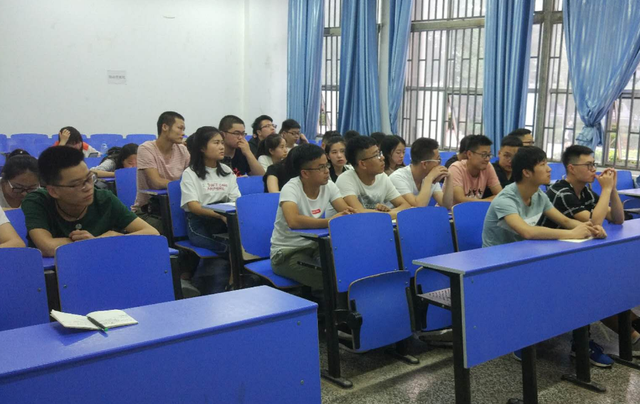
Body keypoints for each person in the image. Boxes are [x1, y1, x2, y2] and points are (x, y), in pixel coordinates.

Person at [481, 146, 612, 367]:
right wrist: (571, 234)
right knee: (560, 282)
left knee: (579, 280)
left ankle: (580, 341)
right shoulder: (506, 198)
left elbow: (566, 221)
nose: (549, 169)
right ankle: (524, 338)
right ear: (527, 172)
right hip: (498, 264)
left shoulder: (538, 195)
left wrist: (591, 229)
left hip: (525, 257)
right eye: (543, 165)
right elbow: (527, 232)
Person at [22, 146, 158, 257]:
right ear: (53, 191)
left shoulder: (104, 199)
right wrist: (96, 242)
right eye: (77, 184)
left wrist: (104, 240)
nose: (88, 188)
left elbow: (151, 233)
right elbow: (47, 246)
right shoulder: (37, 201)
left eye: (89, 179)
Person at [270, 143, 355, 289]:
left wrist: (348, 213)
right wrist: (330, 221)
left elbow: (346, 212)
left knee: (347, 267)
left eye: (326, 165)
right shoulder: (291, 188)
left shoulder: (329, 185)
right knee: (328, 278)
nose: (327, 171)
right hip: (287, 253)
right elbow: (293, 221)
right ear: (305, 173)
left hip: (315, 247)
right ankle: (324, 302)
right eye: (321, 167)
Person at [181, 127, 240, 295]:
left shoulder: (226, 171)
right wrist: (219, 216)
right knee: (233, 248)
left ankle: (234, 281)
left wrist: (225, 216)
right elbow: (193, 206)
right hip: (199, 224)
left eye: (222, 142)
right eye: (216, 143)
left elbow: (236, 200)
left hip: (224, 220)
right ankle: (233, 284)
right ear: (202, 148)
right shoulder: (190, 173)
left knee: (243, 244)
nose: (221, 147)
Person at [540, 145, 625, 228]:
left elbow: (618, 219)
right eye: (588, 165)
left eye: (593, 164)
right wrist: (606, 189)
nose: (594, 169)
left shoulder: (585, 191)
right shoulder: (562, 193)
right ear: (572, 169)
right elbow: (595, 223)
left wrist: (612, 189)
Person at [133, 111, 190, 233]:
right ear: (165, 127)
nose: (183, 133)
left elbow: (192, 178)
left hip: (177, 207)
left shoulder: (183, 150)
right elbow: (157, 182)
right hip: (148, 210)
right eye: (180, 128)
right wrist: (185, 185)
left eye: (184, 129)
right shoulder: (146, 149)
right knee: (169, 228)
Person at [333, 135, 411, 219]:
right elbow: (359, 213)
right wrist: (389, 215)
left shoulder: (382, 177)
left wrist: (388, 213)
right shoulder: (345, 179)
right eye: (376, 155)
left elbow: (405, 205)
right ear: (362, 164)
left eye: (380, 153)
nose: (382, 157)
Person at [389, 138, 453, 209]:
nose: (439, 164)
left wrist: (449, 178)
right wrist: (429, 179)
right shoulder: (398, 178)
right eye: (438, 160)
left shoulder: (430, 175)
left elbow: (446, 205)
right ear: (425, 164)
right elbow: (418, 208)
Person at [446, 135, 502, 205]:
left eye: (489, 155)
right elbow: (460, 199)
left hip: (475, 209)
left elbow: (500, 195)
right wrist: (489, 200)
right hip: (451, 210)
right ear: (469, 154)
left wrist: (484, 201)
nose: (487, 159)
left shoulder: (488, 166)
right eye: (483, 155)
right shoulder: (456, 168)